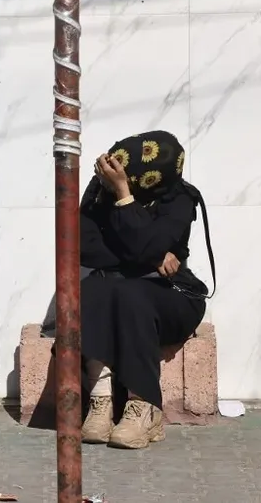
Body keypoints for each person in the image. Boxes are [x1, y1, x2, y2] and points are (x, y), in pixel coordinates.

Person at [69, 131, 213, 450]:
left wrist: (124, 196)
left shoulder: (180, 197)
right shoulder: (98, 190)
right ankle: (101, 398)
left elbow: (144, 245)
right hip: (118, 289)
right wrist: (149, 255)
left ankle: (144, 406)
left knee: (131, 294)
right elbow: (85, 249)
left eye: (122, 179)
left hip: (173, 294)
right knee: (92, 289)